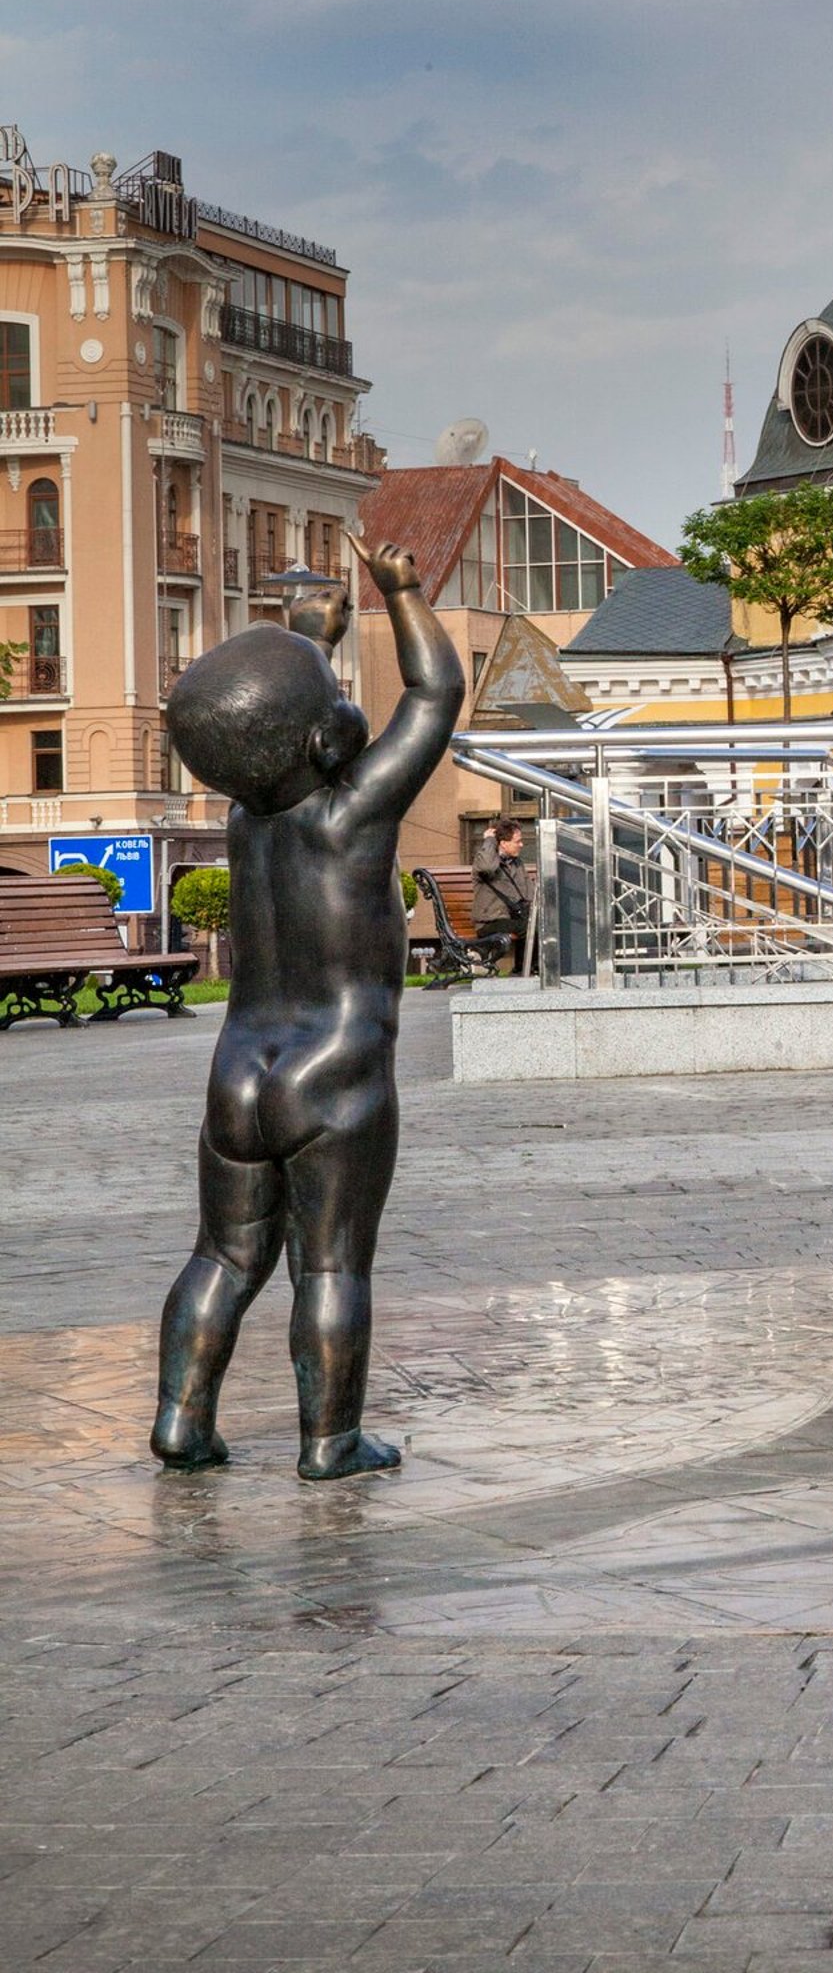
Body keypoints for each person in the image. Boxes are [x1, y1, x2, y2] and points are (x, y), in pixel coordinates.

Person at [151, 535, 464, 1478]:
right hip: (337, 1067)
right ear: (329, 741)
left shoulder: (247, 823)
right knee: (330, 1266)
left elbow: (271, 721)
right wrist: (400, 590)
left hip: (240, 1070)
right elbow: (435, 696)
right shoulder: (352, 812)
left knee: (222, 1254)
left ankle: (181, 1421)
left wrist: (304, 640)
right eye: (338, 712)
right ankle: (330, 1440)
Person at [472, 817, 531, 973]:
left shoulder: (517, 863)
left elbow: (528, 892)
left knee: (540, 924)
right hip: (489, 921)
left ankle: (529, 968)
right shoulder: (484, 860)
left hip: (512, 918)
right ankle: (522, 969)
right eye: (517, 841)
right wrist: (490, 841)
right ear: (504, 843)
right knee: (530, 927)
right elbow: (487, 867)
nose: (521, 845)